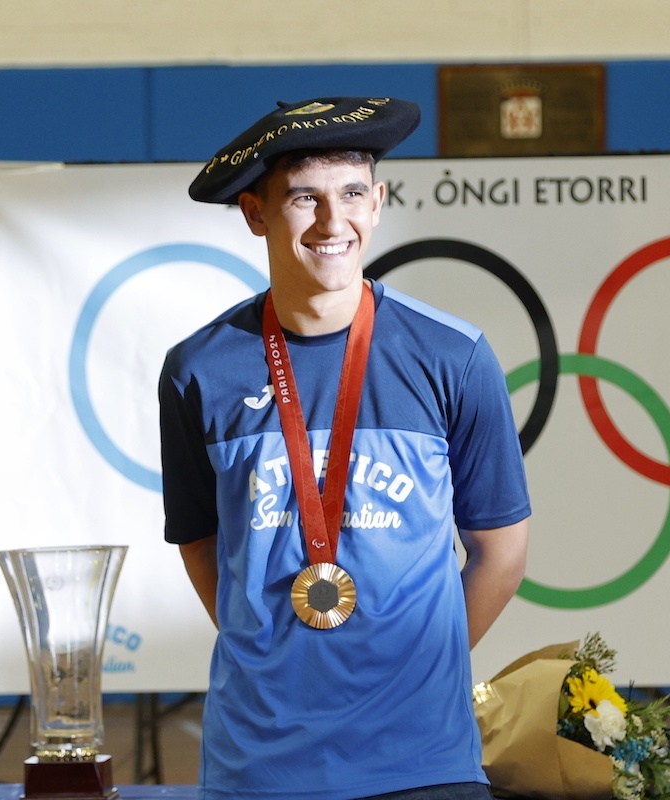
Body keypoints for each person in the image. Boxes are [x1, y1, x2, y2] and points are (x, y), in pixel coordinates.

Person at [159, 96, 531, 800]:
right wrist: (274, 655)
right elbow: (202, 545)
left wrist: (417, 673)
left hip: (424, 764)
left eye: (352, 193)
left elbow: (502, 552)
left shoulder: (453, 355)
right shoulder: (199, 370)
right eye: (305, 198)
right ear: (255, 212)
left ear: (379, 201)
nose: (334, 223)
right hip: (256, 769)